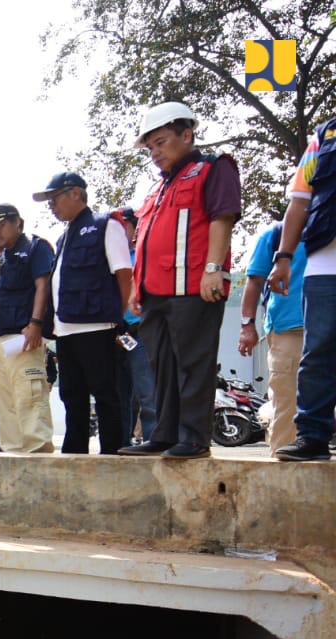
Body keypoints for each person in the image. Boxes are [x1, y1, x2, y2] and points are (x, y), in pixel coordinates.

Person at [120, 101, 241, 460]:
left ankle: (194, 438)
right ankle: (165, 433)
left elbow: (223, 217)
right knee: (163, 367)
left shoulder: (213, 168)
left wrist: (213, 269)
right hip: (156, 294)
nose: (155, 152)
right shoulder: (158, 188)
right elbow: (146, 240)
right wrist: (136, 288)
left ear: (186, 134)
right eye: (150, 147)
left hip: (194, 288)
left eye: (160, 142)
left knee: (193, 363)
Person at [35, 171, 132, 455]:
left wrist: (117, 316)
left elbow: (124, 274)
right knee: (71, 395)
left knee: (104, 393)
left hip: (97, 325)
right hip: (65, 329)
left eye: (55, 199)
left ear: (76, 193)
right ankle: (74, 451)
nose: (51, 206)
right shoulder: (64, 237)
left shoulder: (105, 225)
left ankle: (112, 452)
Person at [268, 115, 336, 462]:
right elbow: (299, 201)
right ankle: (311, 436)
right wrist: (283, 257)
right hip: (325, 263)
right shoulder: (324, 136)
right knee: (318, 353)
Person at [0, 204, 56, 453]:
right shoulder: (1, 257)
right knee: (5, 401)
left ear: (18, 222)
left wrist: (36, 323)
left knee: (29, 397)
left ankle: (38, 453)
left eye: (1, 226)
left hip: (23, 336)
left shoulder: (35, 247)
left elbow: (43, 286)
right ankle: (13, 455)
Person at [239, 222, 308, 455]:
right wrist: (247, 326)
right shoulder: (274, 235)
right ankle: (281, 464)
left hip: (326, 324)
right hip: (289, 328)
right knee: (287, 402)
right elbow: (255, 281)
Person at [111, 207, 158, 444]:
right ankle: (120, 443)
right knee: (118, 394)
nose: (119, 232)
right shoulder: (107, 257)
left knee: (146, 391)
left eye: (124, 226)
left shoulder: (144, 254)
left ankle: (153, 441)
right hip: (113, 334)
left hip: (141, 332)